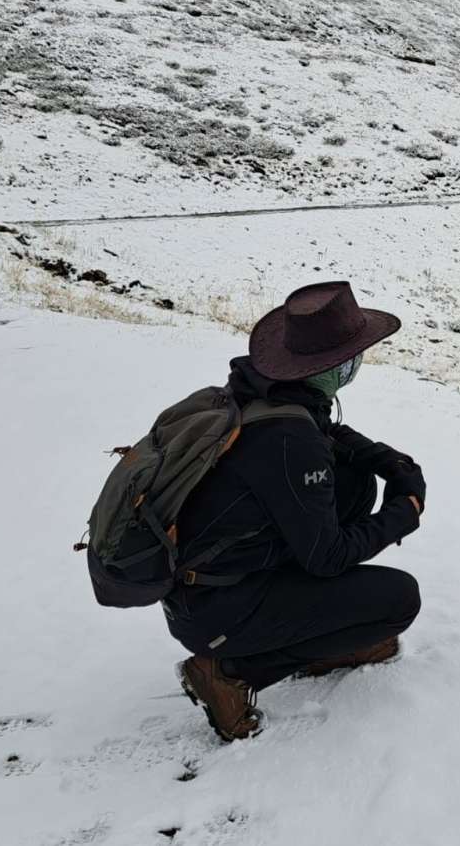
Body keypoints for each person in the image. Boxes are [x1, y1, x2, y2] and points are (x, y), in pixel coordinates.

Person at [169, 281, 426, 741]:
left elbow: (329, 433)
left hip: (202, 586)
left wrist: (389, 462)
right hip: (217, 611)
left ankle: (313, 626)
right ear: (335, 365)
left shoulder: (260, 391)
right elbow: (327, 556)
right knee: (399, 600)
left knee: (354, 482)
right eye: (355, 354)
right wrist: (402, 515)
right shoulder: (289, 441)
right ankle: (229, 671)